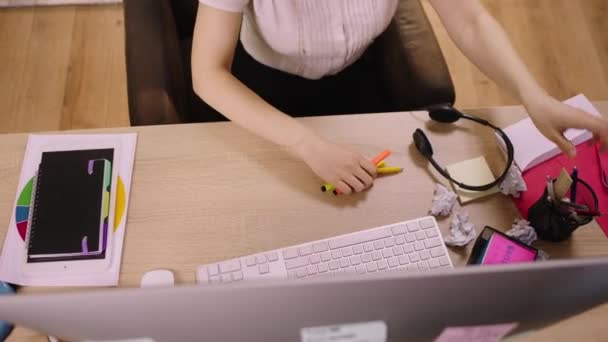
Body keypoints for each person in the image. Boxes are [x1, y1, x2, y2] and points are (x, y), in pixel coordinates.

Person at [191, 0, 608, 195]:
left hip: (362, 76)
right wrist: (304, 143)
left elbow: (469, 18)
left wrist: (531, 95)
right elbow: (208, 74)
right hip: (265, 93)